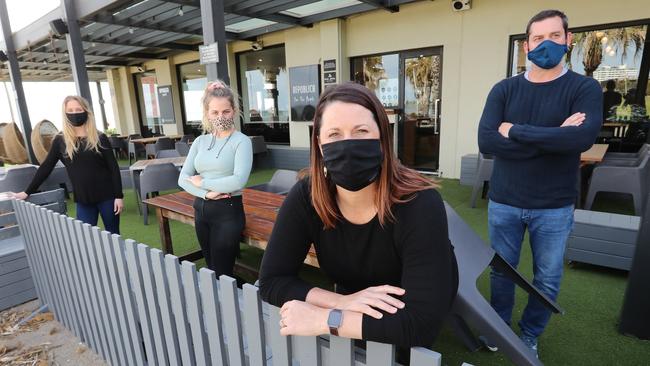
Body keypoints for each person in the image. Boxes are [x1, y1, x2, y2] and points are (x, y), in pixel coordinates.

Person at [259, 82, 458, 349]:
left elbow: (419, 326)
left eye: (361, 131)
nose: (348, 144)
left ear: (382, 138)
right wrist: (342, 302)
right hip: (354, 302)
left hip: (408, 303)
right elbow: (271, 281)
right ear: (319, 145)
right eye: (334, 134)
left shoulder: (419, 202)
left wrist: (326, 319)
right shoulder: (308, 196)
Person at [477, 10, 602, 357]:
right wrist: (556, 135)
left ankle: (530, 333)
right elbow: (487, 143)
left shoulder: (584, 88)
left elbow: (582, 139)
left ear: (568, 39)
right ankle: (498, 326)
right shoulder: (504, 89)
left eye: (554, 36)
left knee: (547, 278)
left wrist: (515, 131)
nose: (545, 43)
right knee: (502, 272)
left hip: (555, 206)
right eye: (537, 38)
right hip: (505, 201)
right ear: (526, 44)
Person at [13, 96, 124, 234]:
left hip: (108, 197)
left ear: (86, 111)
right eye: (70, 110)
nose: (75, 113)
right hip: (83, 200)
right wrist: (27, 192)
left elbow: (113, 168)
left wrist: (119, 196)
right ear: (65, 114)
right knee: (85, 237)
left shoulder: (99, 138)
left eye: (78, 109)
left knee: (113, 235)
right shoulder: (60, 140)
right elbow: (46, 167)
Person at [178, 80, 253, 276]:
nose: (221, 117)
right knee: (211, 267)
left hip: (227, 212)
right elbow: (182, 178)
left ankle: (230, 303)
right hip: (201, 210)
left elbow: (238, 180)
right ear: (207, 114)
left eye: (225, 111)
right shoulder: (200, 141)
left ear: (234, 111)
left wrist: (203, 183)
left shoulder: (242, 142)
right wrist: (206, 194)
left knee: (222, 272)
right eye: (215, 112)